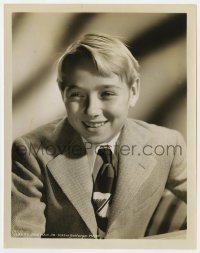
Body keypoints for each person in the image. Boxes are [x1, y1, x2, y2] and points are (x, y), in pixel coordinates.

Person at [12, 33, 187, 239]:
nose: (92, 110)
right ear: (62, 93)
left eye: (107, 94)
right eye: (77, 94)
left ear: (133, 91)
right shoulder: (30, 152)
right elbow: (23, 243)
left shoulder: (167, 143)